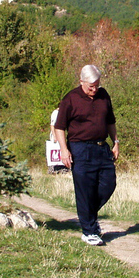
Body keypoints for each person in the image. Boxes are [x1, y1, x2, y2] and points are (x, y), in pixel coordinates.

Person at [54, 65, 119, 246]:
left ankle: (88, 216)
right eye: (90, 86)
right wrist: (64, 149)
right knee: (84, 191)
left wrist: (116, 142)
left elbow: (110, 121)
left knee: (109, 184)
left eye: (97, 85)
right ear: (81, 81)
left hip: (101, 148)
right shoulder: (71, 99)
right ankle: (89, 231)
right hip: (80, 149)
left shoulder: (103, 95)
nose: (94, 89)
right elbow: (59, 127)